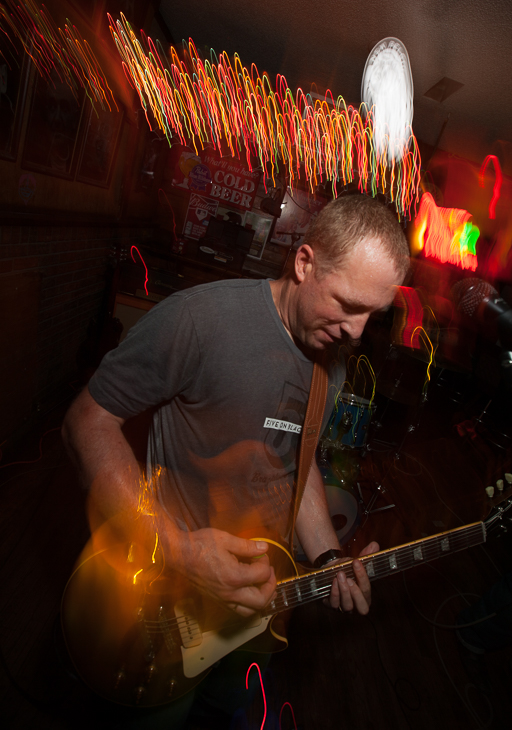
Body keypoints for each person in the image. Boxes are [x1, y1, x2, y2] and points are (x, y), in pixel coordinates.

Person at [62, 193, 409, 728]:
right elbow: (88, 422)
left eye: (373, 315)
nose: (357, 332)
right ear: (304, 263)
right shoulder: (201, 320)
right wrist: (180, 552)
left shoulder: (330, 367)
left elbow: (297, 464)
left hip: (259, 611)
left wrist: (327, 556)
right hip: (166, 600)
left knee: (225, 713)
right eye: (346, 304)